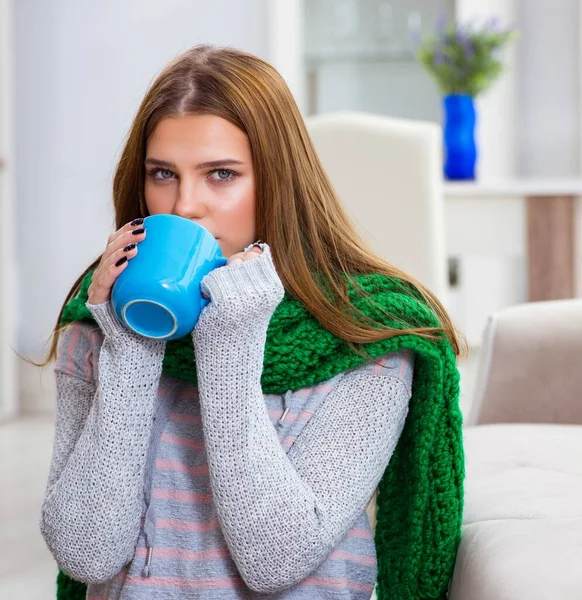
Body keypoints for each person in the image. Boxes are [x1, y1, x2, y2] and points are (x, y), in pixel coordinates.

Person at [38, 44, 466, 600]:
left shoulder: (369, 337)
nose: (183, 206)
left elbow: (276, 556)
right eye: (162, 174)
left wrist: (231, 345)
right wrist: (133, 350)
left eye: (221, 174)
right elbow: (86, 553)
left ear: (277, 182)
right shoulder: (98, 324)